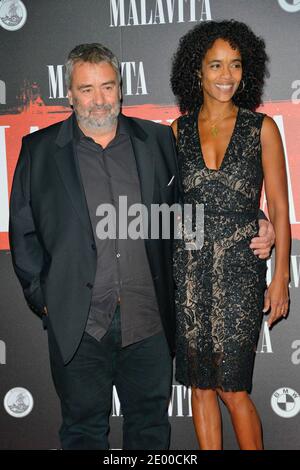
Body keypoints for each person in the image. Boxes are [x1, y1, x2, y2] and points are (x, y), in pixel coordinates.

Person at [9, 42, 274, 450]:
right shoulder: (40, 151)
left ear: (121, 89)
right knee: (82, 433)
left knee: (150, 432)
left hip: (148, 323)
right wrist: (44, 299)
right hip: (79, 326)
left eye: (107, 87)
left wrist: (256, 220)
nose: (99, 100)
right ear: (69, 93)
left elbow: (196, 203)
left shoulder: (157, 141)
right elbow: (23, 232)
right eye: (86, 89)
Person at [170, 20, 290, 450]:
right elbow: (167, 208)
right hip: (189, 271)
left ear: (247, 70)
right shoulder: (177, 131)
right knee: (199, 386)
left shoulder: (262, 128)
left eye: (235, 65)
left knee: (232, 387)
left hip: (241, 270)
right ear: (197, 71)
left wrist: (279, 278)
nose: (226, 76)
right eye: (215, 65)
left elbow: (279, 207)